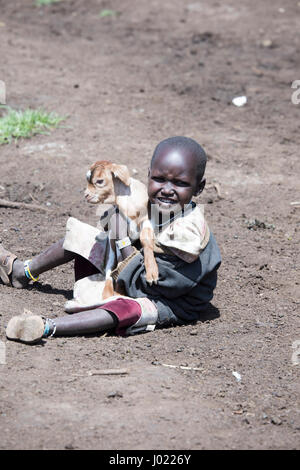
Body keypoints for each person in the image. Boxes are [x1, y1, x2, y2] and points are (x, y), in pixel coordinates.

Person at [1, 136, 221, 344]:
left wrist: (123, 240)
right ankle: (23, 272)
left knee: (127, 310)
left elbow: (155, 287)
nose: (167, 189)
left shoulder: (188, 233)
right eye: (159, 179)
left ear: (199, 187)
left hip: (170, 301)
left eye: (180, 183)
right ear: (148, 175)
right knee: (85, 235)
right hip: (134, 275)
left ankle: (46, 326)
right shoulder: (151, 204)